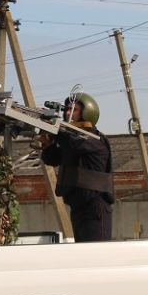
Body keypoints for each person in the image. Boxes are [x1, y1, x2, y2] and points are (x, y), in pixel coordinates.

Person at [35, 91, 114, 242]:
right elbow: (52, 159)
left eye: (74, 110)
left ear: (87, 113)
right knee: (82, 252)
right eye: (66, 109)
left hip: (95, 208)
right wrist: (48, 143)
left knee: (96, 252)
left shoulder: (95, 140)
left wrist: (55, 129)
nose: (67, 113)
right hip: (78, 207)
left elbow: (74, 144)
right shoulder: (71, 140)